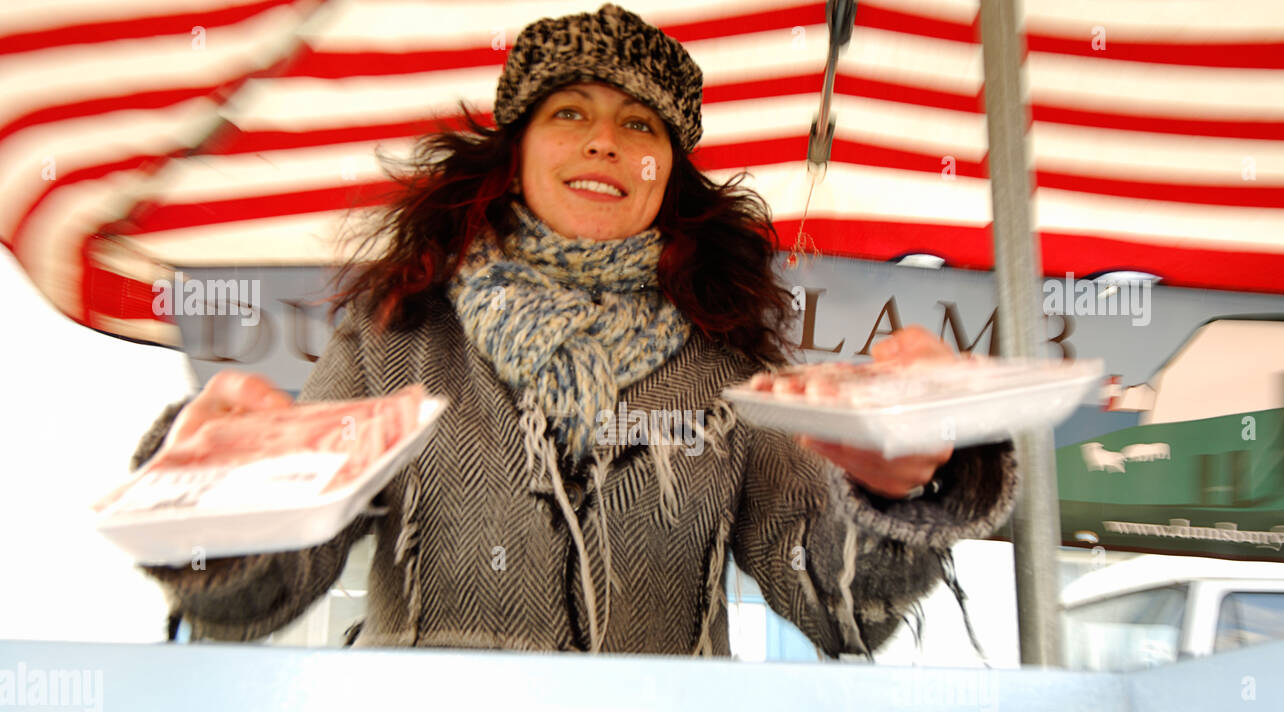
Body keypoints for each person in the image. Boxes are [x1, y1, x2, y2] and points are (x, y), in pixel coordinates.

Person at [130, 4, 1018, 656]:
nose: (604, 142)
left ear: (666, 174)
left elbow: (838, 606)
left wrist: (907, 488)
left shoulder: (736, 359)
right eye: (569, 113)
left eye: (640, 126)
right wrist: (215, 493)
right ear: (513, 155)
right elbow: (257, 595)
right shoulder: (394, 330)